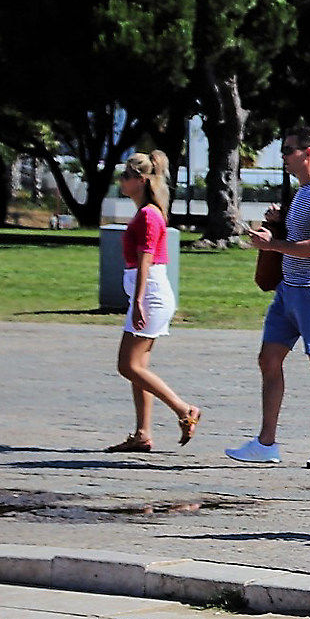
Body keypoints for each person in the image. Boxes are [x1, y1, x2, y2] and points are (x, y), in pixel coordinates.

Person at [232, 126, 310, 468]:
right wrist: (278, 224)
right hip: (289, 291)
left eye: (288, 150)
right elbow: (300, 235)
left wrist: (273, 245)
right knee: (269, 360)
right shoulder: (302, 194)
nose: (283, 156)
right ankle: (265, 443)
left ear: (308, 153)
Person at [105, 150, 201, 454]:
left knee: (127, 365)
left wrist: (138, 301)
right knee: (139, 367)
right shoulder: (146, 212)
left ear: (142, 180)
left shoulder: (148, 214)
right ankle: (143, 434)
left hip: (150, 294)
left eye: (126, 176)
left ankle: (184, 409)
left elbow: (145, 259)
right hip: (148, 292)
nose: (121, 181)